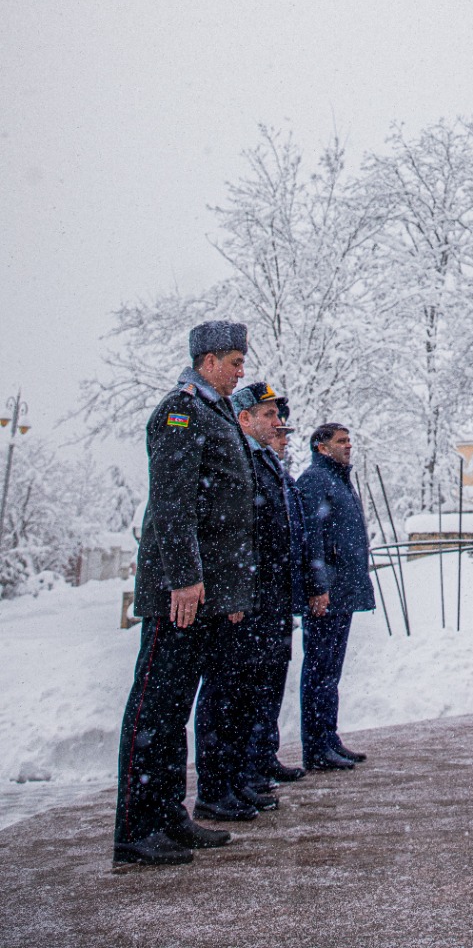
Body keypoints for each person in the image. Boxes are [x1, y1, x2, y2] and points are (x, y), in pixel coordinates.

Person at [113, 321, 257, 868]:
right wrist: (185, 578)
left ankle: (168, 814)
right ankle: (135, 829)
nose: (241, 372)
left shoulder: (213, 412)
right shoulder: (181, 411)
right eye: (234, 362)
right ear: (207, 362)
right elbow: (173, 503)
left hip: (203, 592)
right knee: (154, 708)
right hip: (180, 592)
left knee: (174, 709)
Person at [233, 385, 309, 789]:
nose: (279, 427)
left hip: (273, 593)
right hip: (254, 593)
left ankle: (261, 759)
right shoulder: (243, 459)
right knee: (246, 686)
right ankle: (244, 769)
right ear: (244, 418)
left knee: (269, 680)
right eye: (270, 417)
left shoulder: (268, 464)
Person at [296, 423, 375, 770]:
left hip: (342, 590)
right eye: (341, 441)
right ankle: (316, 746)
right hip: (327, 593)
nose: (348, 446)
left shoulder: (339, 480)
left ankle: (328, 737)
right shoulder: (315, 480)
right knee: (319, 669)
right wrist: (318, 586)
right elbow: (311, 537)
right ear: (322, 447)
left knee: (330, 670)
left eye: (349, 440)